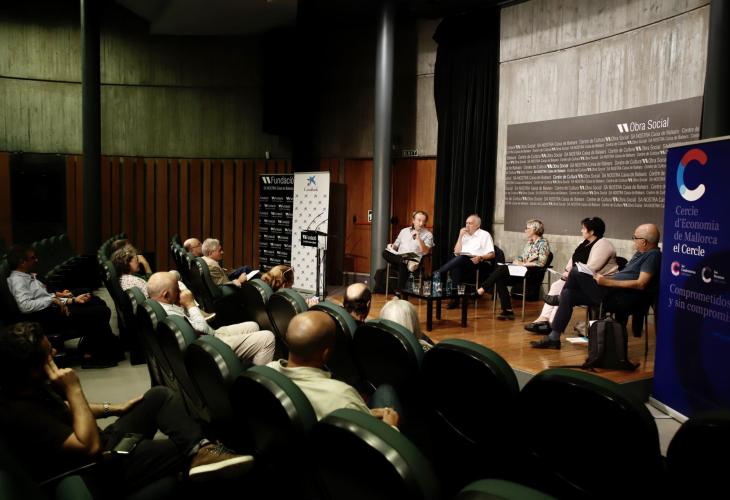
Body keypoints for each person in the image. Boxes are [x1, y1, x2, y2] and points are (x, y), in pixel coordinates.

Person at [0, 322, 254, 496]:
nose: (55, 352)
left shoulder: (31, 387)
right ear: (32, 370)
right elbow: (89, 448)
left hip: (101, 442)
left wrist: (114, 408)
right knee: (178, 449)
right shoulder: (20, 413)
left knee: (158, 396)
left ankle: (201, 449)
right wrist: (73, 388)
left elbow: (65, 409)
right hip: (95, 469)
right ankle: (200, 455)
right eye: (48, 353)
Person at [531, 223, 661, 349]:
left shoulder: (653, 255)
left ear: (644, 242)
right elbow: (624, 275)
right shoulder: (640, 253)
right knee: (568, 294)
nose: (633, 241)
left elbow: (641, 283)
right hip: (609, 290)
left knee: (576, 271)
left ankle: (559, 299)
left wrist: (608, 282)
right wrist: (603, 279)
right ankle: (554, 337)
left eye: (635, 238)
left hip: (620, 297)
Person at [267, 311, 400, 427]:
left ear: (287, 339)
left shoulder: (268, 370)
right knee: (386, 391)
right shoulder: (342, 396)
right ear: (325, 353)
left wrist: (367, 413)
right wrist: (391, 427)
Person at [6, 245, 119, 368]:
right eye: (32, 258)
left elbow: (48, 297)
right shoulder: (17, 280)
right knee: (101, 312)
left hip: (52, 311)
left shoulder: (26, 275)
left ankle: (101, 348)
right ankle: (93, 355)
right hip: (47, 318)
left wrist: (71, 300)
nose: (36, 260)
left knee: (96, 302)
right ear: (22, 262)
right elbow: (25, 306)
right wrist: (54, 300)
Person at [147, 272, 275, 365]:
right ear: (166, 295)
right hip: (210, 346)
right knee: (267, 338)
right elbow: (202, 329)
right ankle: (254, 384)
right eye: (177, 289)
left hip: (210, 335)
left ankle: (243, 366)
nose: (180, 291)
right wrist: (190, 304)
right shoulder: (170, 314)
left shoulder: (160, 305)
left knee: (253, 325)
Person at [524, 217, 618, 334]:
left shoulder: (604, 245)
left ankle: (552, 323)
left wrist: (570, 275)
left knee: (563, 291)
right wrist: (566, 272)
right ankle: (543, 319)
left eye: (583, 229)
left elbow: (592, 268)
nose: (581, 231)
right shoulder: (583, 243)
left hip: (597, 283)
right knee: (556, 285)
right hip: (580, 279)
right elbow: (573, 259)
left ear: (592, 232)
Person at [473, 219, 551, 320]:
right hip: (521, 270)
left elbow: (541, 263)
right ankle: (508, 311)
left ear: (535, 230)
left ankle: (481, 290)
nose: (525, 230)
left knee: (502, 269)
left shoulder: (543, 243)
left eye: (527, 228)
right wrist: (517, 261)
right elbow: (522, 257)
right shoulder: (529, 243)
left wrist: (524, 263)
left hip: (532, 273)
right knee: (500, 278)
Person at [436, 214, 496, 308]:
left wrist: (480, 257)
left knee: (461, 258)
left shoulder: (484, 235)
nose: (467, 225)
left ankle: (438, 273)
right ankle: (455, 299)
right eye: (466, 223)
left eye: (470, 223)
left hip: (479, 262)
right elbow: (457, 252)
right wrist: (460, 236)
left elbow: (492, 254)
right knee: (456, 265)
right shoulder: (464, 235)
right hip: (464, 262)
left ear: (477, 225)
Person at [381, 210, 434, 293]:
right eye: (419, 220)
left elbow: (425, 252)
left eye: (423, 221)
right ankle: (405, 261)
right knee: (385, 253)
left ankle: (398, 293)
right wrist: (391, 246)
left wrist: (419, 238)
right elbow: (396, 246)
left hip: (414, 259)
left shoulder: (428, 234)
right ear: (413, 220)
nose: (421, 223)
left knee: (402, 263)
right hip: (400, 257)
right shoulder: (404, 231)